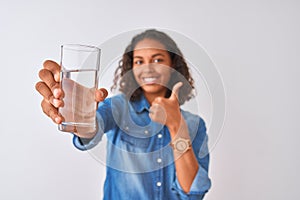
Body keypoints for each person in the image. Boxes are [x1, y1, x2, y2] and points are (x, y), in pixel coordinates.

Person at [35, 29, 211, 199]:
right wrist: (79, 116)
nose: (147, 69)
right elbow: (92, 128)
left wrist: (176, 125)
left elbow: (192, 192)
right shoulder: (118, 107)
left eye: (157, 60)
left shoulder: (195, 124)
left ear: (173, 65)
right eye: (139, 61)